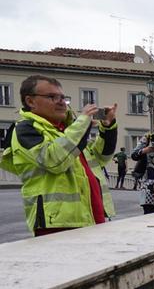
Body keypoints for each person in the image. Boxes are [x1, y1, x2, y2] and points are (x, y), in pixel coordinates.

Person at [0, 74, 117, 235]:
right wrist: (82, 122)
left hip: (90, 216)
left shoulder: (67, 130)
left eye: (63, 97)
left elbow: (101, 157)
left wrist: (108, 127)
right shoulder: (25, 129)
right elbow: (54, 160)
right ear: (30, 101)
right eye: (52, 97)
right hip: (56, 223)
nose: (61, 102)